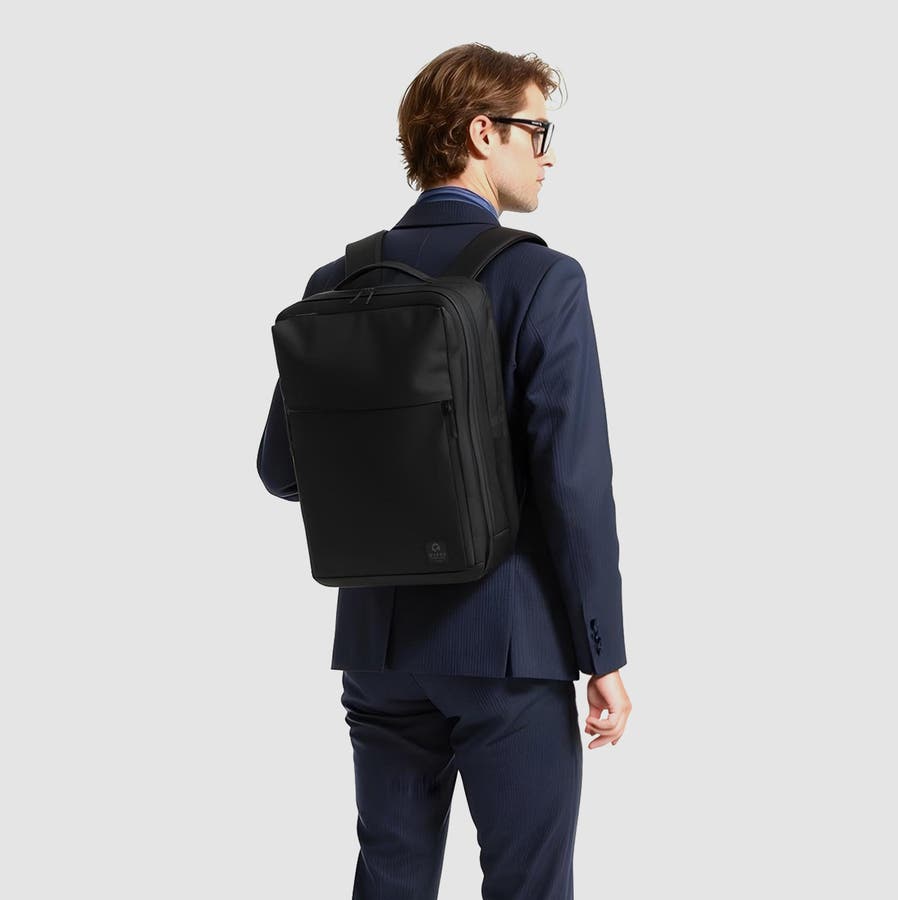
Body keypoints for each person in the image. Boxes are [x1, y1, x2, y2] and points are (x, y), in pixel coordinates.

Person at [257, 42, 632, 900]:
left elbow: (281, 468)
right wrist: (603, 652)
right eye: (536, 131)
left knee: (390, 881)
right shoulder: (541, 279)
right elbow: (574, 486)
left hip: (379, 650)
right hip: (510, 645)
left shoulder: (338, 280)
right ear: (481, 132)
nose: (547, 155)